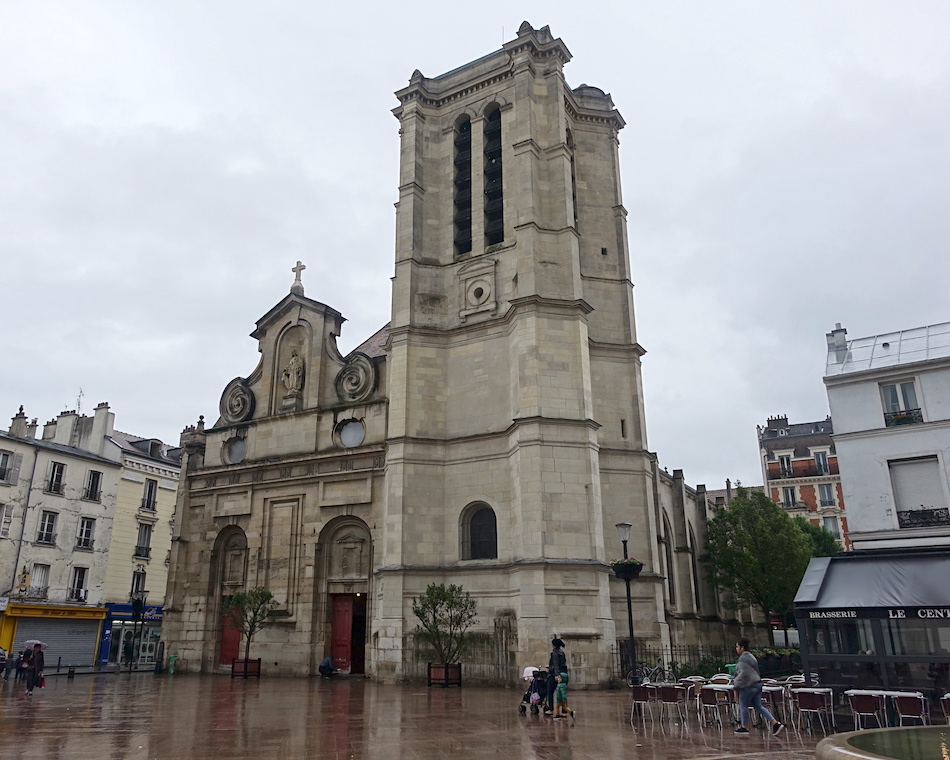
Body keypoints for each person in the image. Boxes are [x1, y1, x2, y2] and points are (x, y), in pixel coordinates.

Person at [733, 638, 783, 736]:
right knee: (758, 705)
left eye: (737, 646)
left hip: (748, 685)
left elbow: (743, 674)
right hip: (757, 684)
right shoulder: (752, 657)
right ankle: (775, 723)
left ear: (742, 648)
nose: (736, 649)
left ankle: (744, 727)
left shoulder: (743, 659)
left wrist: (736, 685)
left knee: (743, 705)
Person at [544, 638, 567, 716]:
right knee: (562, 693)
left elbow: (556, 665)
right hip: (563, 674)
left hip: (555, 675)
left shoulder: (554, 653)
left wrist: (556, 675)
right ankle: (564, 711)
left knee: (550, 691)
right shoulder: (562, 652)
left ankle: (551, 709)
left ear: (554, 645)